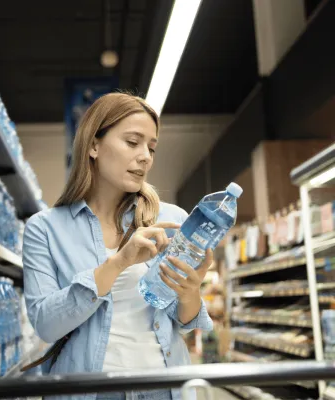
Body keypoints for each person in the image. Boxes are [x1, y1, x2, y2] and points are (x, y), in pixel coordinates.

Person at [23, 92, 213, 400]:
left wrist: (191, 290)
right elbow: (46, 324)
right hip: (91, 393)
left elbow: (185, 321)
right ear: (94, 145)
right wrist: (119, 262)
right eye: (132, 142)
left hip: (163, 389)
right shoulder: (45, 229)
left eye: (151, 147)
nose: (145, 156)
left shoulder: (171, 219)